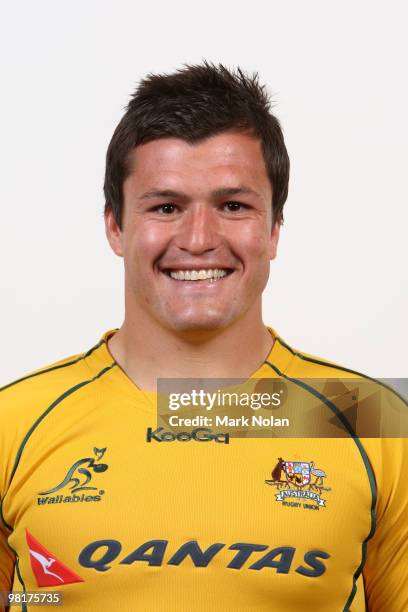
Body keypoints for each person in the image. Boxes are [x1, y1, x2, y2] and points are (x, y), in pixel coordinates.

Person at [0, 62, 406, 612]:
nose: (198, 239)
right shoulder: (14, 423)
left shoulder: (371, 419)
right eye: (166, 206)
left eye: (233, 206)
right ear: (115, 226)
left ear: (274, 229)